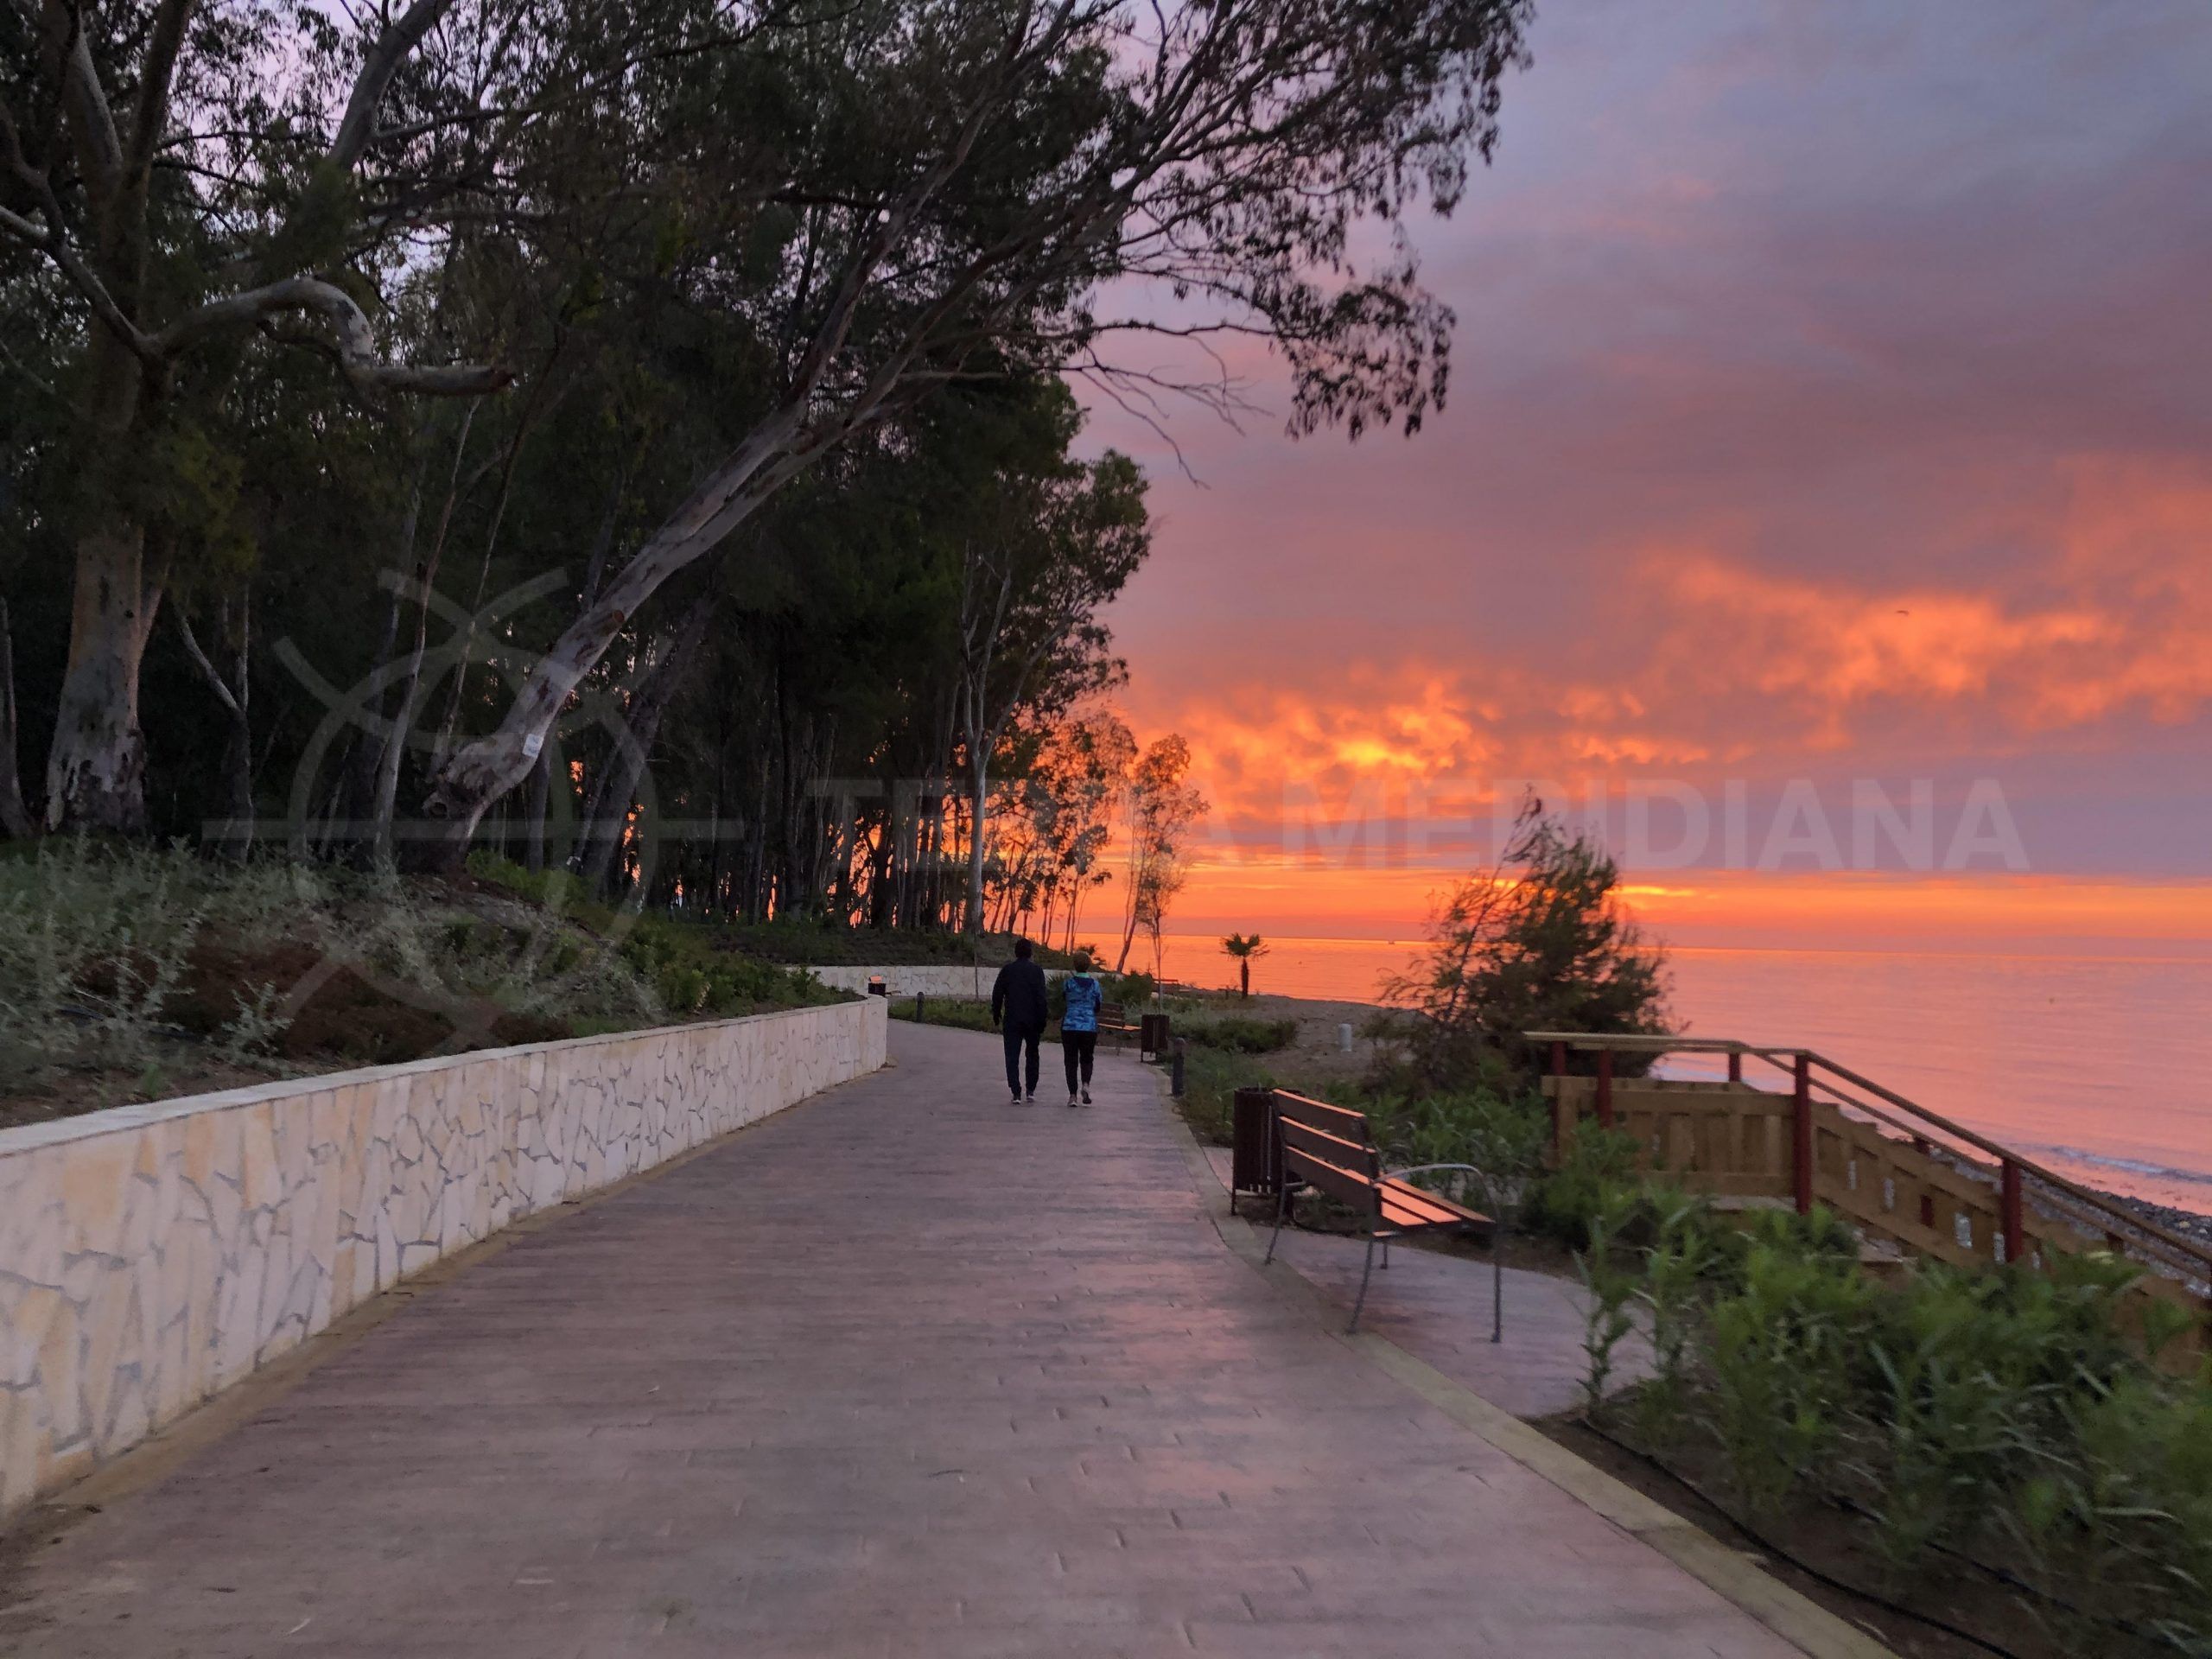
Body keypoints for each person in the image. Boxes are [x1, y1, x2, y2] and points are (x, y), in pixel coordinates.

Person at [989, 938, 1050, 1104]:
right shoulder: (1037, 971)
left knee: (1012, 1056)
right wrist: (1043, 1018)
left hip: (1012, 1019)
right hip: (1032, 1020)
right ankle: (1030, 1090)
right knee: (1032, 1054)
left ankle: (1016, 1092)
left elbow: (997, 993)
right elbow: (1041, 998)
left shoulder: (1008, 970)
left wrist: (996, 1013)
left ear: (1016, 952)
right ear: (1030, 953)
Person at [1058, 951, 1103, 1108]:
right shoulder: (1095, 985)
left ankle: (1072, 1096)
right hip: (1089, 1026)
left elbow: (1064, 999)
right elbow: (1098, 1006)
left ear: (1074, 965)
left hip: (1070, 1026)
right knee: (1087, 1058)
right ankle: (1086, 1084)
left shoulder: (1069, 983)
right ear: (1088, 965)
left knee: (1070, 1061)